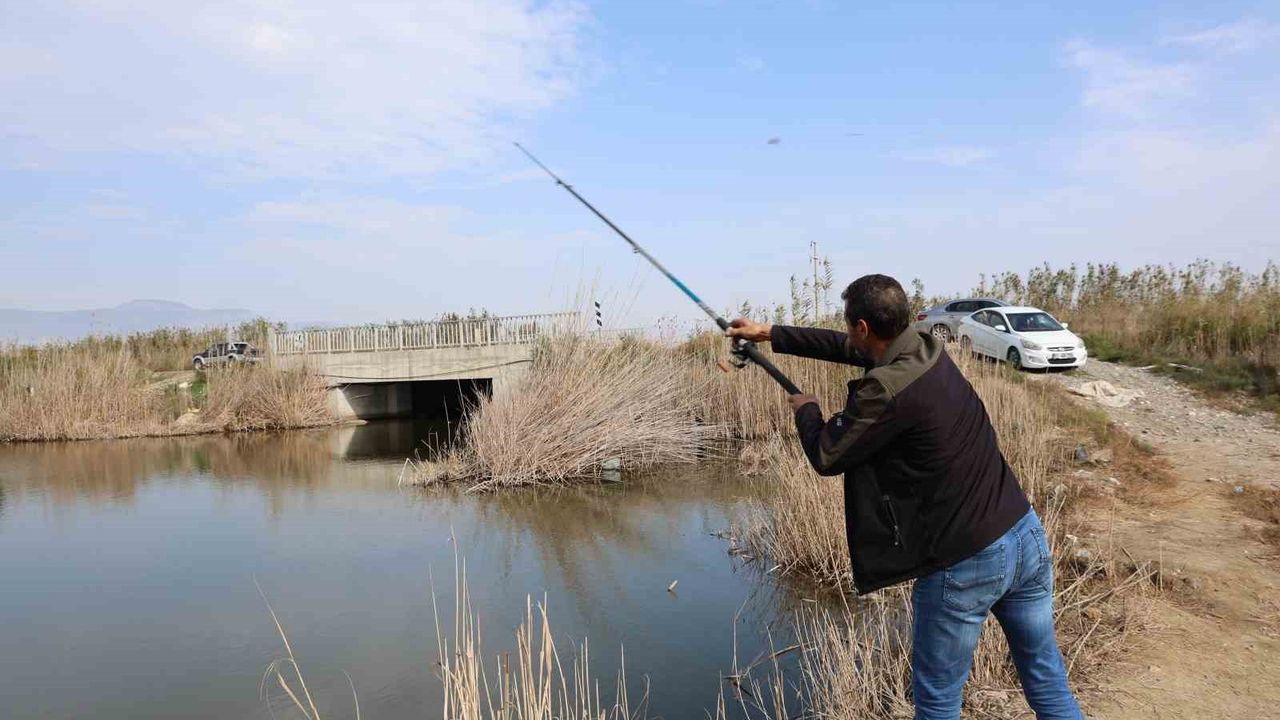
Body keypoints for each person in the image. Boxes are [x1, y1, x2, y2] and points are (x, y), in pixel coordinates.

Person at [726, 274, 1084, 720]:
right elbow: (849, 348)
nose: (849, 335)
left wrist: (808, 411)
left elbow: (827, 454)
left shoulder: (887, 388)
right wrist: (768, 333)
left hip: (966, 561)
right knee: (1046, 680)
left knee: (936, 704)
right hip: (1023, 534)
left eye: (850, 326)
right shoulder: (925, 346)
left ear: (862, 326)